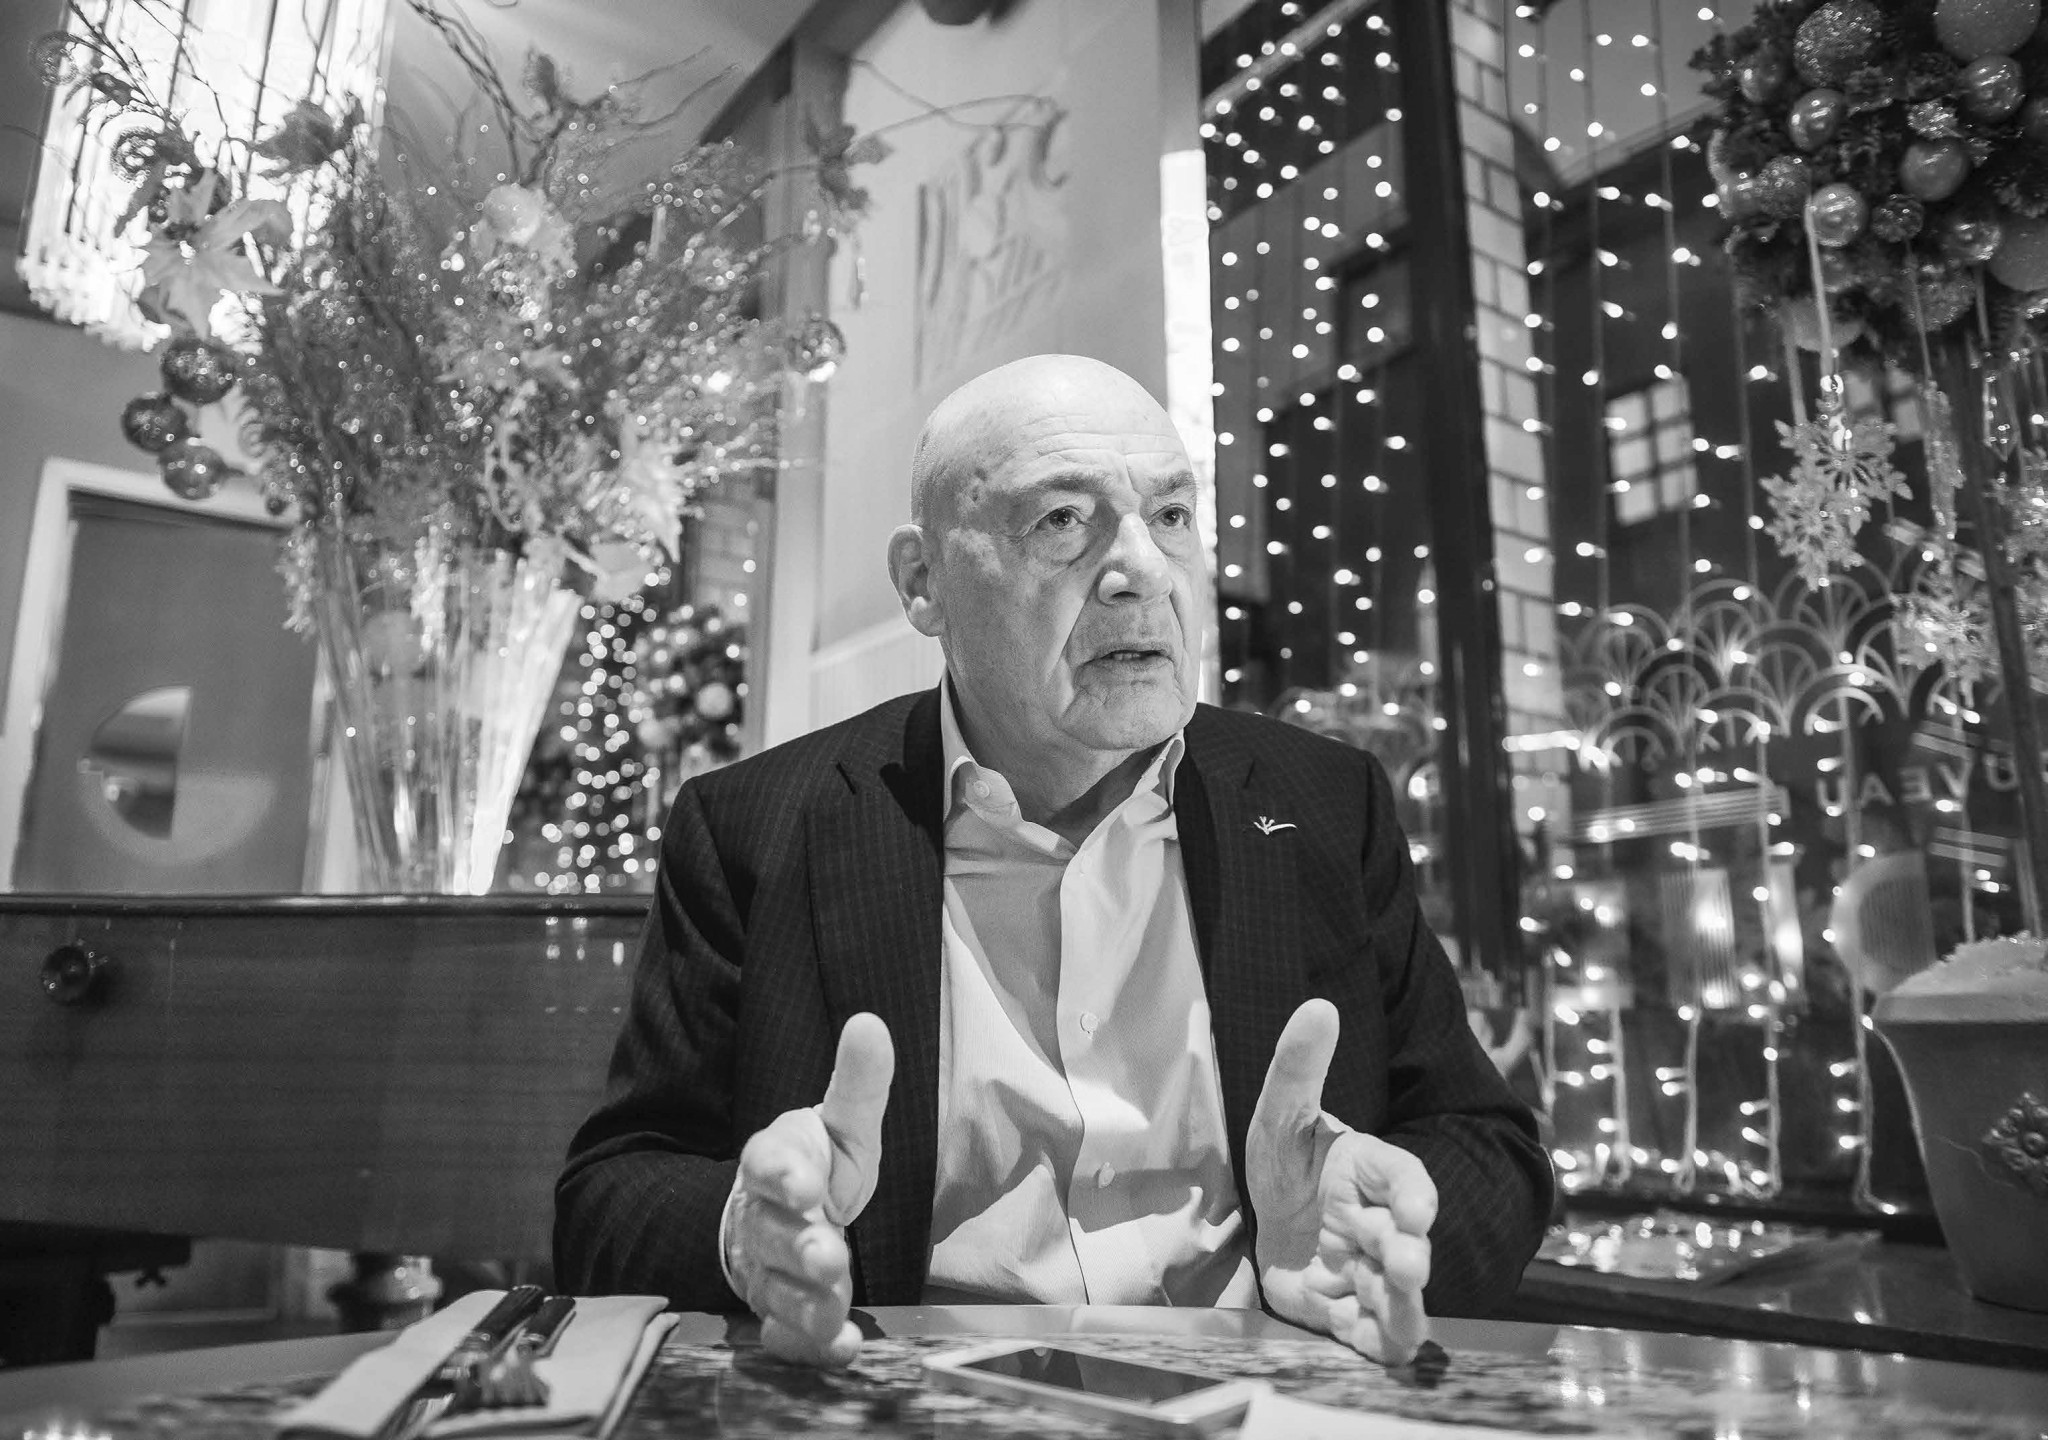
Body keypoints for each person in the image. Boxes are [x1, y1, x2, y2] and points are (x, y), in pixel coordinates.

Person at [555, 353, 1552, 1368]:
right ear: (923, 583)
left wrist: (1382, 1232)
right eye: (1062, 521)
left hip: (1265, 1399)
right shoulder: (755, 828)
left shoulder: (1321, 803)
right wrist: (750, 1229)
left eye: (1171, 516)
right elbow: (611, 1196)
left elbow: (1490, 1147)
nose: (1144, 571)